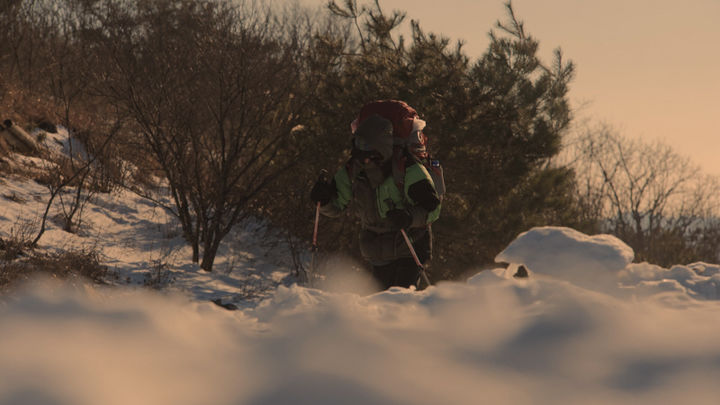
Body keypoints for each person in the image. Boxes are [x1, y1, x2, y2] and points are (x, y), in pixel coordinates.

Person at [310, 101, 441, 290]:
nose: (364, 160)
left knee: (400, 303)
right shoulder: (353, 169)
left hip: (410, 248)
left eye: (369, 154)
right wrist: (323, 200)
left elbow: (432, 207)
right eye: (360, 152)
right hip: (377, 251)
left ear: (382, 148)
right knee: (381, 306)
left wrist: (409, 217)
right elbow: (337, 205)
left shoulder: (408, 169)